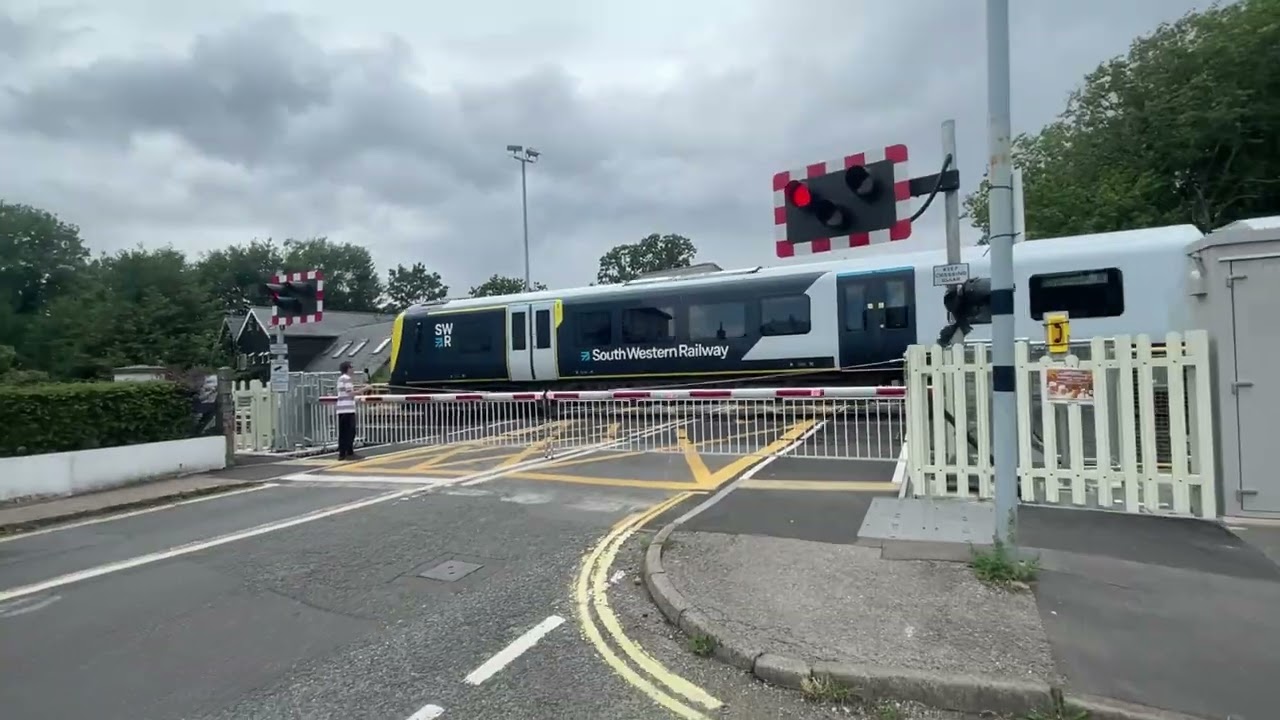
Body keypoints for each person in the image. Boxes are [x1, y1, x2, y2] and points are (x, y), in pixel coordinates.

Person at [336, 360, 362, 460]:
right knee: (350, 431)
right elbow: (350, 393)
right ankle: (349, 452)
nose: (353, 369)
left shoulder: (340, 379)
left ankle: (342, 453)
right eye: (352, 367)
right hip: (347, 408)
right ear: (347, 368)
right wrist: (364, 389)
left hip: (341, 409)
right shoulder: (347, 379)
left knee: (343, 432)